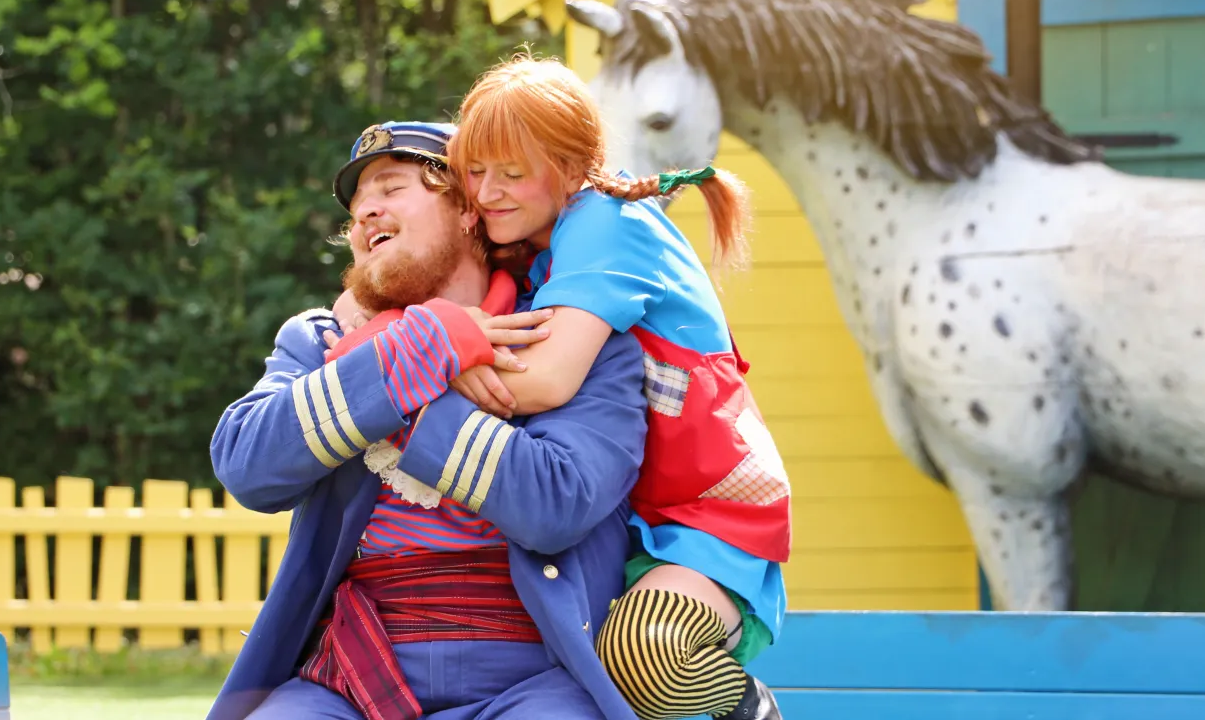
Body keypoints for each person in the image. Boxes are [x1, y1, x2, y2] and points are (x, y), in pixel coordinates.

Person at [206, 120, 653, 720]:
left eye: (391, 189)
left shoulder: (571, 335)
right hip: (349, 678)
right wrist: (414, 348)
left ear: (470, 210)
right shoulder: (321, 341)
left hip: (533, 677)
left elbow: (557, 504)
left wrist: (404, 371)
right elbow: (246, 466)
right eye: (358, 206)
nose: (366, 213)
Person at [443, 55, 789, 720]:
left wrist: (428, 352)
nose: (486, 193)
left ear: (572, 170)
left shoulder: (604, 225)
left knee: (643, 655)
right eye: (476, 172)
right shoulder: (540, 246)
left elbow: (543, 382)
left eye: (512, 173)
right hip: (622, 519)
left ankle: (751, 708)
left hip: (708, 515)